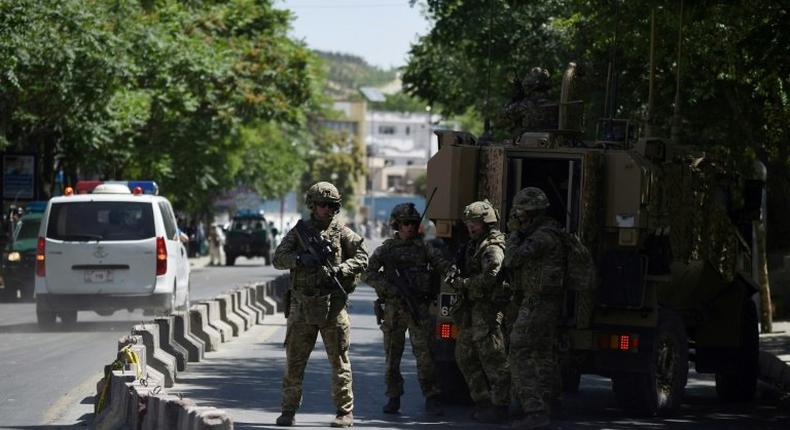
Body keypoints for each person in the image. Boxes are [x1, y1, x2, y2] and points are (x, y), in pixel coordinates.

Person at [272, 181, 368, 428]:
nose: (326, 209)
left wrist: (342, 268)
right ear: (312, 206)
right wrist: (301, 259)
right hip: (302, 306)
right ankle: (288, 410)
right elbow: (278, 259)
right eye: (321, 205)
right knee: (294, 362)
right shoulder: (299, 232)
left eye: (331, 205)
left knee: (339, 362)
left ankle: (344, 412)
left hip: (333, 307)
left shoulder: (342, 232)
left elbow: (362, 256)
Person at [363, 203, 452, 415]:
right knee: (392, 357)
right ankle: (393, 397)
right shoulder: (386, 250)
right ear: (397, 225)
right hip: (394, 310)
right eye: (405, 223)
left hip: (419, 308)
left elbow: (443, 266)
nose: (410, 227)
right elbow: (368, 273)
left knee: (425, 356)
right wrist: (389, 288)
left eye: (413, 223)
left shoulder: (424, 248)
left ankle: (432, 396)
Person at [504, 187, 568, 429]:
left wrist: (513, 235)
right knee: (542, 353)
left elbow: (512, 260)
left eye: (520, 212)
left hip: (538, 302)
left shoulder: (540, 237)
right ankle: (550, 404)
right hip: (545, 302)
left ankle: (535, 410)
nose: (518, 216)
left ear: (528, 212)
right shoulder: (550, 232)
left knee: (518, 351)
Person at [450, 200, 510, 423]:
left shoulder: (492, 247)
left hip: (487, 311)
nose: (470, 227)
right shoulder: (473, 245)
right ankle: (483, 401)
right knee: (464, 356)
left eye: (474, 223)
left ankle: (500, 405)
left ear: (486, 223)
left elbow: (491, 277)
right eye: (468, 223)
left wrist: (464, 283)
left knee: (494, 359)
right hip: (471, 311)